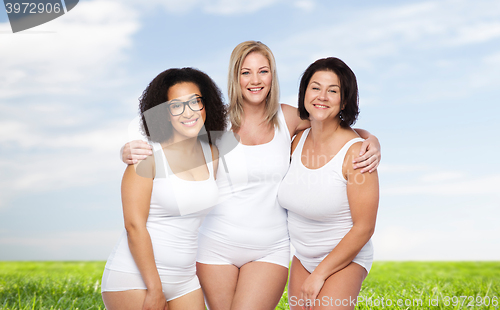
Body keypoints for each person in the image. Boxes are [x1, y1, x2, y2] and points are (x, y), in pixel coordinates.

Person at [121, 41, 381, 310]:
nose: (255, 80)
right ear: (235, 77)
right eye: (246, 72)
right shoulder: (215, 120)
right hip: (214, 246)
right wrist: (128, 149)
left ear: (273, 76)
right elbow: (169, 140)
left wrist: (371, 139)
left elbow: (330, 125)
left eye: (263, 71)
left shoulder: (288, 118)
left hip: (270, 248)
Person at [101, 67, 226, 310]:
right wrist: (155, 288)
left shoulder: (212, 153)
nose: (188, 112)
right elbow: (133, 226)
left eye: (195, 102)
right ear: (164, 113)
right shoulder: (146, 156)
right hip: (135, 279)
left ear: (205, 105)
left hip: (185, 279)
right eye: (176, 106)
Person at [277, 57, 379, 310]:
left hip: (345, 258)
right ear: (304, 93)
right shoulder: (294, 140)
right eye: (315, 87)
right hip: (303, 257)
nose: (322, 96)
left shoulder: (356, 155)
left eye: (333, 91)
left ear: (344, 100)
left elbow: (364, 228)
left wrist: (320, 274)